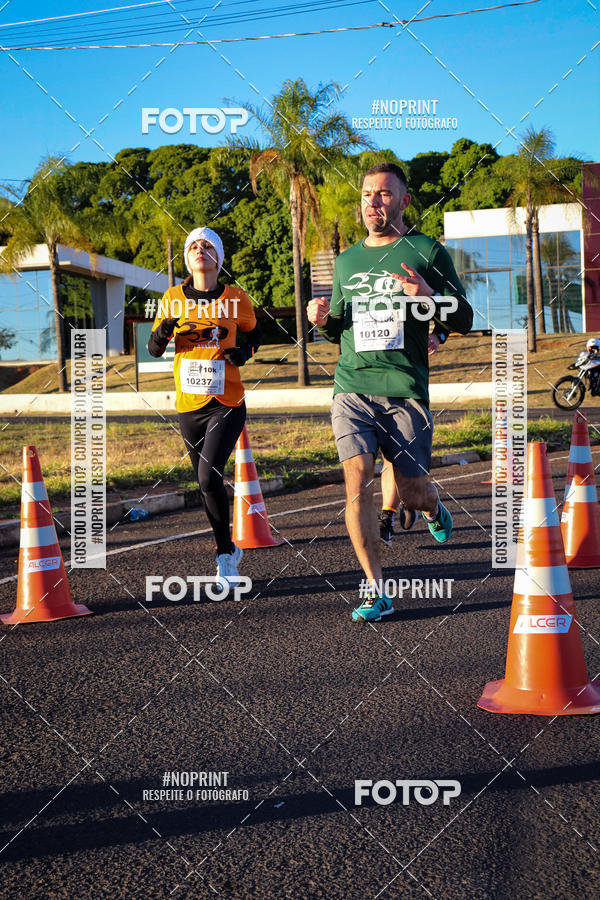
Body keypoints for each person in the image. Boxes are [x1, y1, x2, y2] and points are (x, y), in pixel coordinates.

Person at [307, 162, 472, 623]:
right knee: (357, 480)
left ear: (403, 200)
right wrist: (320, 319)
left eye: (383, 194)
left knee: (412, 492)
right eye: (366, 194)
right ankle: (376, 589)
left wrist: (426, 294)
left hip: (405, 391)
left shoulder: (425, 250)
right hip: (352, 388)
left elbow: (463, 318)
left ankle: (433, 507)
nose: (372, 202)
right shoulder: (346, 261)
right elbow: (338, 329)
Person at [148, 226, 261, 586]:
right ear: (187, 257)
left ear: (218, 257)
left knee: (207, 475)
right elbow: (153, 349)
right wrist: (163, 331)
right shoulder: (171, 297)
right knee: (206, 484)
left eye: (207, 245)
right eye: (194, 245)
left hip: (226, 401)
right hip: (188, 403)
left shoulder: (236, 298)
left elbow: (255, 332)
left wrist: (245, 351)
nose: (200, 249)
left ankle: (224, 557)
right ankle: (228, 545)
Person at [378, 330, 447, 547]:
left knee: (402, 465)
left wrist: (440, 334)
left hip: (407, 379)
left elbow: (453, 300)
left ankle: (431, 506)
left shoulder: (412, 294)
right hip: (369, 376)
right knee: (388, 454)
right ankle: (386, 519)